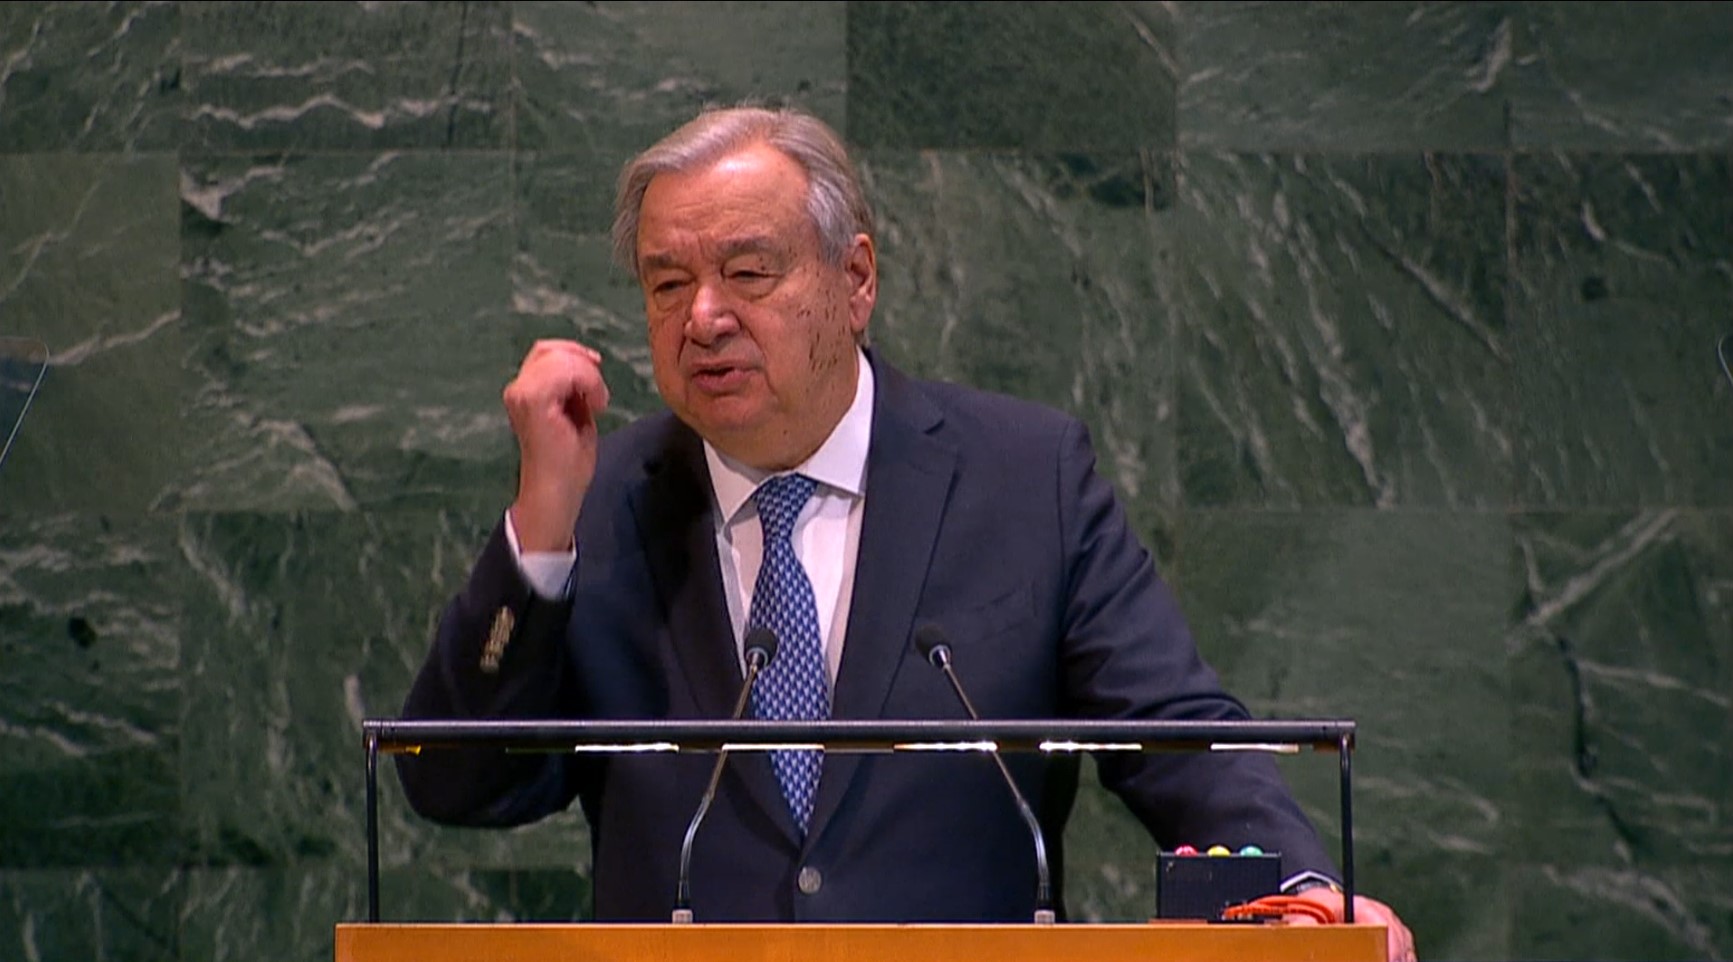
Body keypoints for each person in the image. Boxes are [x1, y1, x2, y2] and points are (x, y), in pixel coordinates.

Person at [397, 105, 1415, 961]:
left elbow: (1175, 733)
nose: (702, 316)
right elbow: (453, 781)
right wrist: (539, 531)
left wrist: (1306, 896)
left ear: (855, 279)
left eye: (747, 272)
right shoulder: (600, 500)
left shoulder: (1024, 479)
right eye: (667, 284)